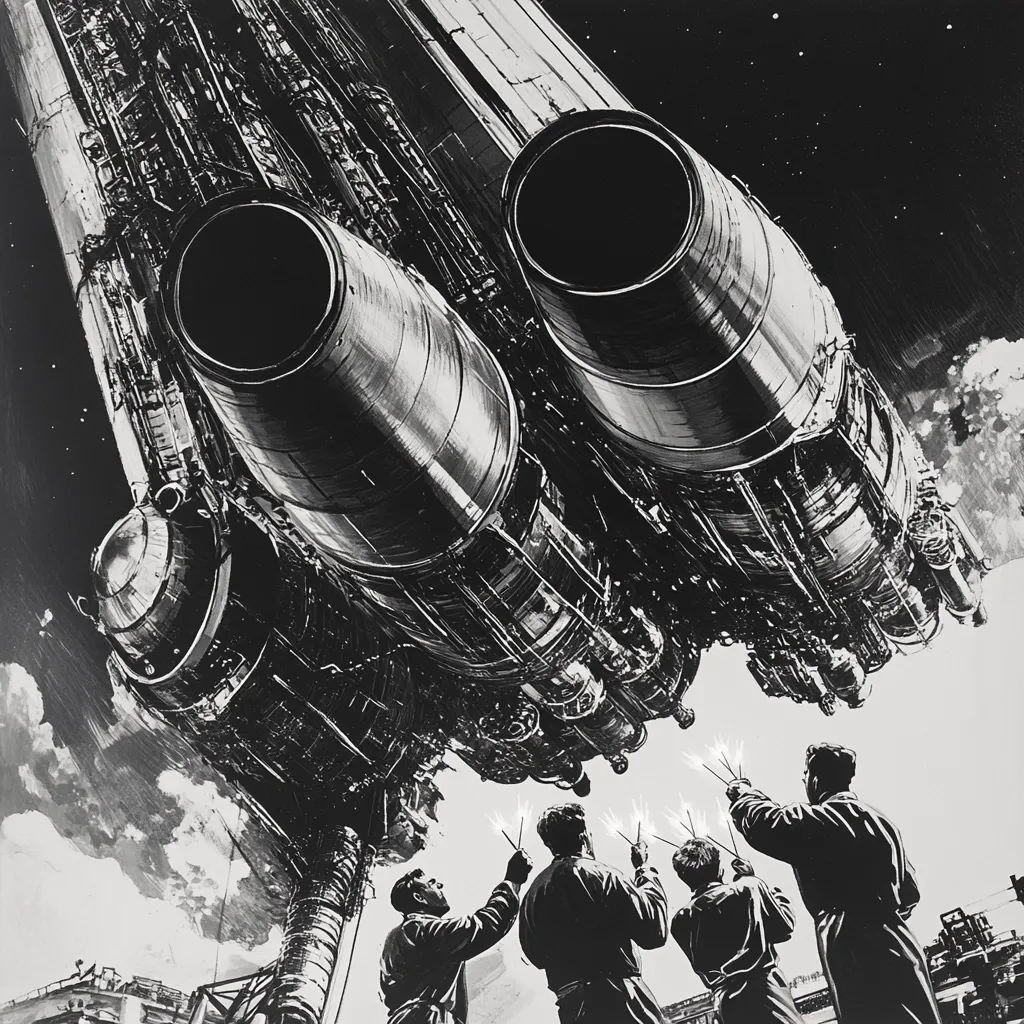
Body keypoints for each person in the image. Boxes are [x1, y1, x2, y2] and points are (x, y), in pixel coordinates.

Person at [727, 743, 941, 1024]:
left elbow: (769, 825)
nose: (803, 780)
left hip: (849, 943)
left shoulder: (822, 821)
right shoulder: (881, 821)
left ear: (815, 778)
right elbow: (910, 891)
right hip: (897, 935)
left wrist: (744, 796)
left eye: (805, 774)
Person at [518, 801, 670, 1023]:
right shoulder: (605, 875)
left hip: (572, 1006)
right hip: (621, 997)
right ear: (583, 837)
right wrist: (644, 869)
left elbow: (535, 955)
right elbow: (654, 930)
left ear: (549, 844)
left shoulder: (533, 893)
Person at [380, 848, 533, 1023]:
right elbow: (485, 926)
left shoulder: (397, 935)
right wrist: (512, 881)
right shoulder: (422, 930)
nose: (440, 885)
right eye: (432, 883)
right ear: (419, 898)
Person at [669, 838, 805, 1024]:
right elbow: (784, 928)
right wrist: (762, 885)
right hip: (766, 992)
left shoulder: (679, 921)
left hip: (726, 1003)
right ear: (719, 869)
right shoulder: (749, 888)